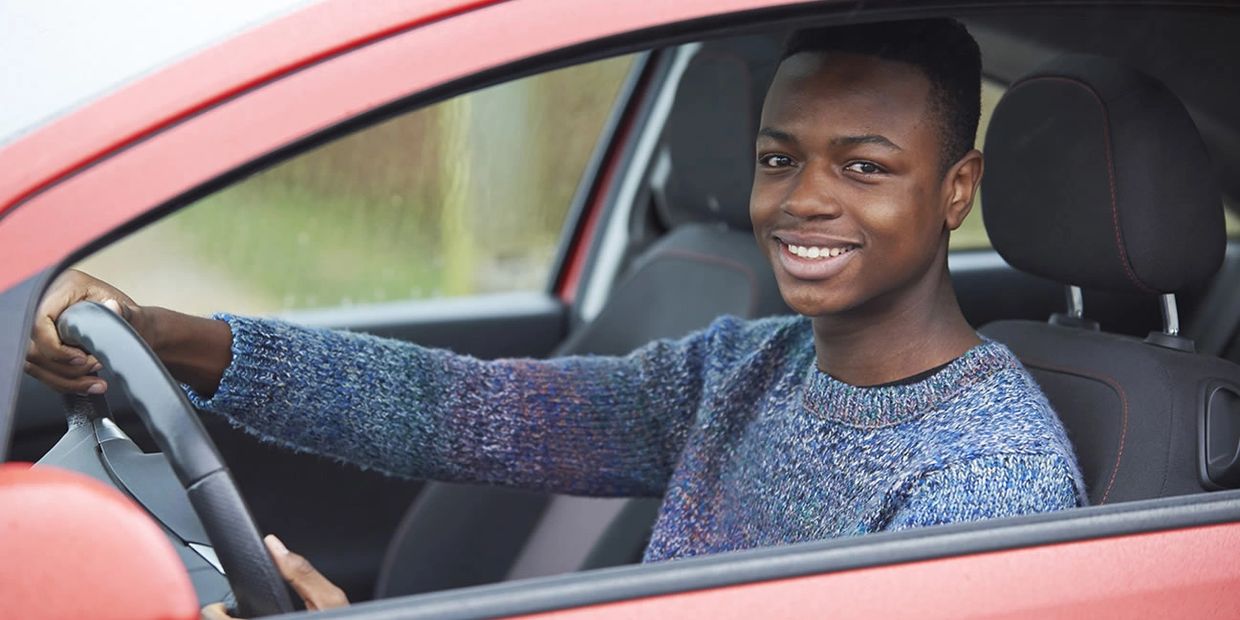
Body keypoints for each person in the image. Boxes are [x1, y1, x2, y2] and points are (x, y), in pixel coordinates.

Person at [26, 18, 1085, 618]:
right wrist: (172, 336)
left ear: (955, 189)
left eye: (863, 166)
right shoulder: (748, 368)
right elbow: (468, 411)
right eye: (779, 158)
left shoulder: (986, 477)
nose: (803, 199)